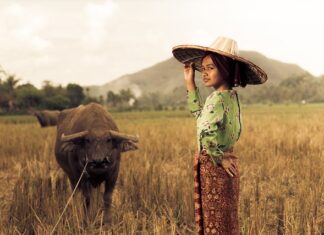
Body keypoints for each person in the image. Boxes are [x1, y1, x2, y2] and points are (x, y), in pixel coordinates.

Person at [172, 36, 267, 234]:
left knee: (214, 219)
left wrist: (217, 157)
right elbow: (202, 119)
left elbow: (206, 131)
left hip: (214, 166)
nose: (204, 74)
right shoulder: (231, 97)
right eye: (203, 68)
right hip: (227, 163)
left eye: (210, 68)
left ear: (225, 70)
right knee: (226, 219)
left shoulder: (216, 100)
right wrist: (190, 83)